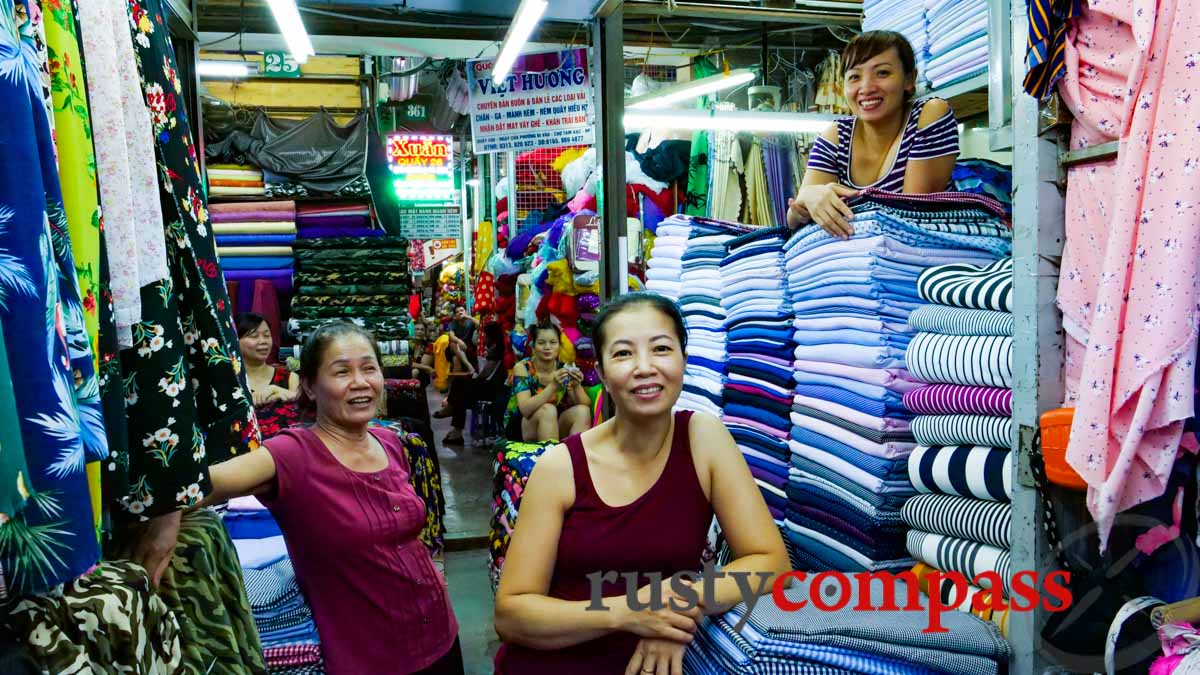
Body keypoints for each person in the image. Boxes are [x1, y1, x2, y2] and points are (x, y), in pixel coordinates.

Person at [493, 293, 790, 674]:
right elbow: (512, 614)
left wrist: (680, 603)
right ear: (599, 371)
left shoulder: (703, 439)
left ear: (683, 358)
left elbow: (771, 562)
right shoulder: (561, 467)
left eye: (662, 348)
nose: (645, 367)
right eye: (623, 354)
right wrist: (630, 613)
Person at [180, 322, 462, 674]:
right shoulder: (291, 455)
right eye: (342, 371)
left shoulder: (390, 443)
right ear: (310, 387)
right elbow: (195, 489)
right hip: (369, 658)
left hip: (441, 635)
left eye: (369, 368)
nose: (360, 382)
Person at [786, 30, 960, 238]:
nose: (866, 88)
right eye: (854, 77)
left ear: (909, 79)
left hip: (919, 260)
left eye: (882, 73)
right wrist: (809, 199)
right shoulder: (836, 136)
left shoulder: (929, 115)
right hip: (857, 263)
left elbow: (909, 218)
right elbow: (793, 221)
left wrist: (826, 208)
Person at [503, 322, 592, 443]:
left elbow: (585, 404)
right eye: (541, 343)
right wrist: (553, 386)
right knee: (548, 410)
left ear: (559, 346)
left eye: (553, 342)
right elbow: (525, 409)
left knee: (583, 412)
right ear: (533, 346)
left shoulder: (563, 369)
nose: (547, 347)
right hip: (522, 425)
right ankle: (551, 460)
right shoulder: (523, 368)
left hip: (551, 424)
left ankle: (574, 457)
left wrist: (576, 386)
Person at [236, 312, 298, 406]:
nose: (263, 341)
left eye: (267, 335)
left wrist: (282, 392)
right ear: (236, 340)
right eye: (254, 336)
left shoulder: (290, 378)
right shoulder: (229, 381)